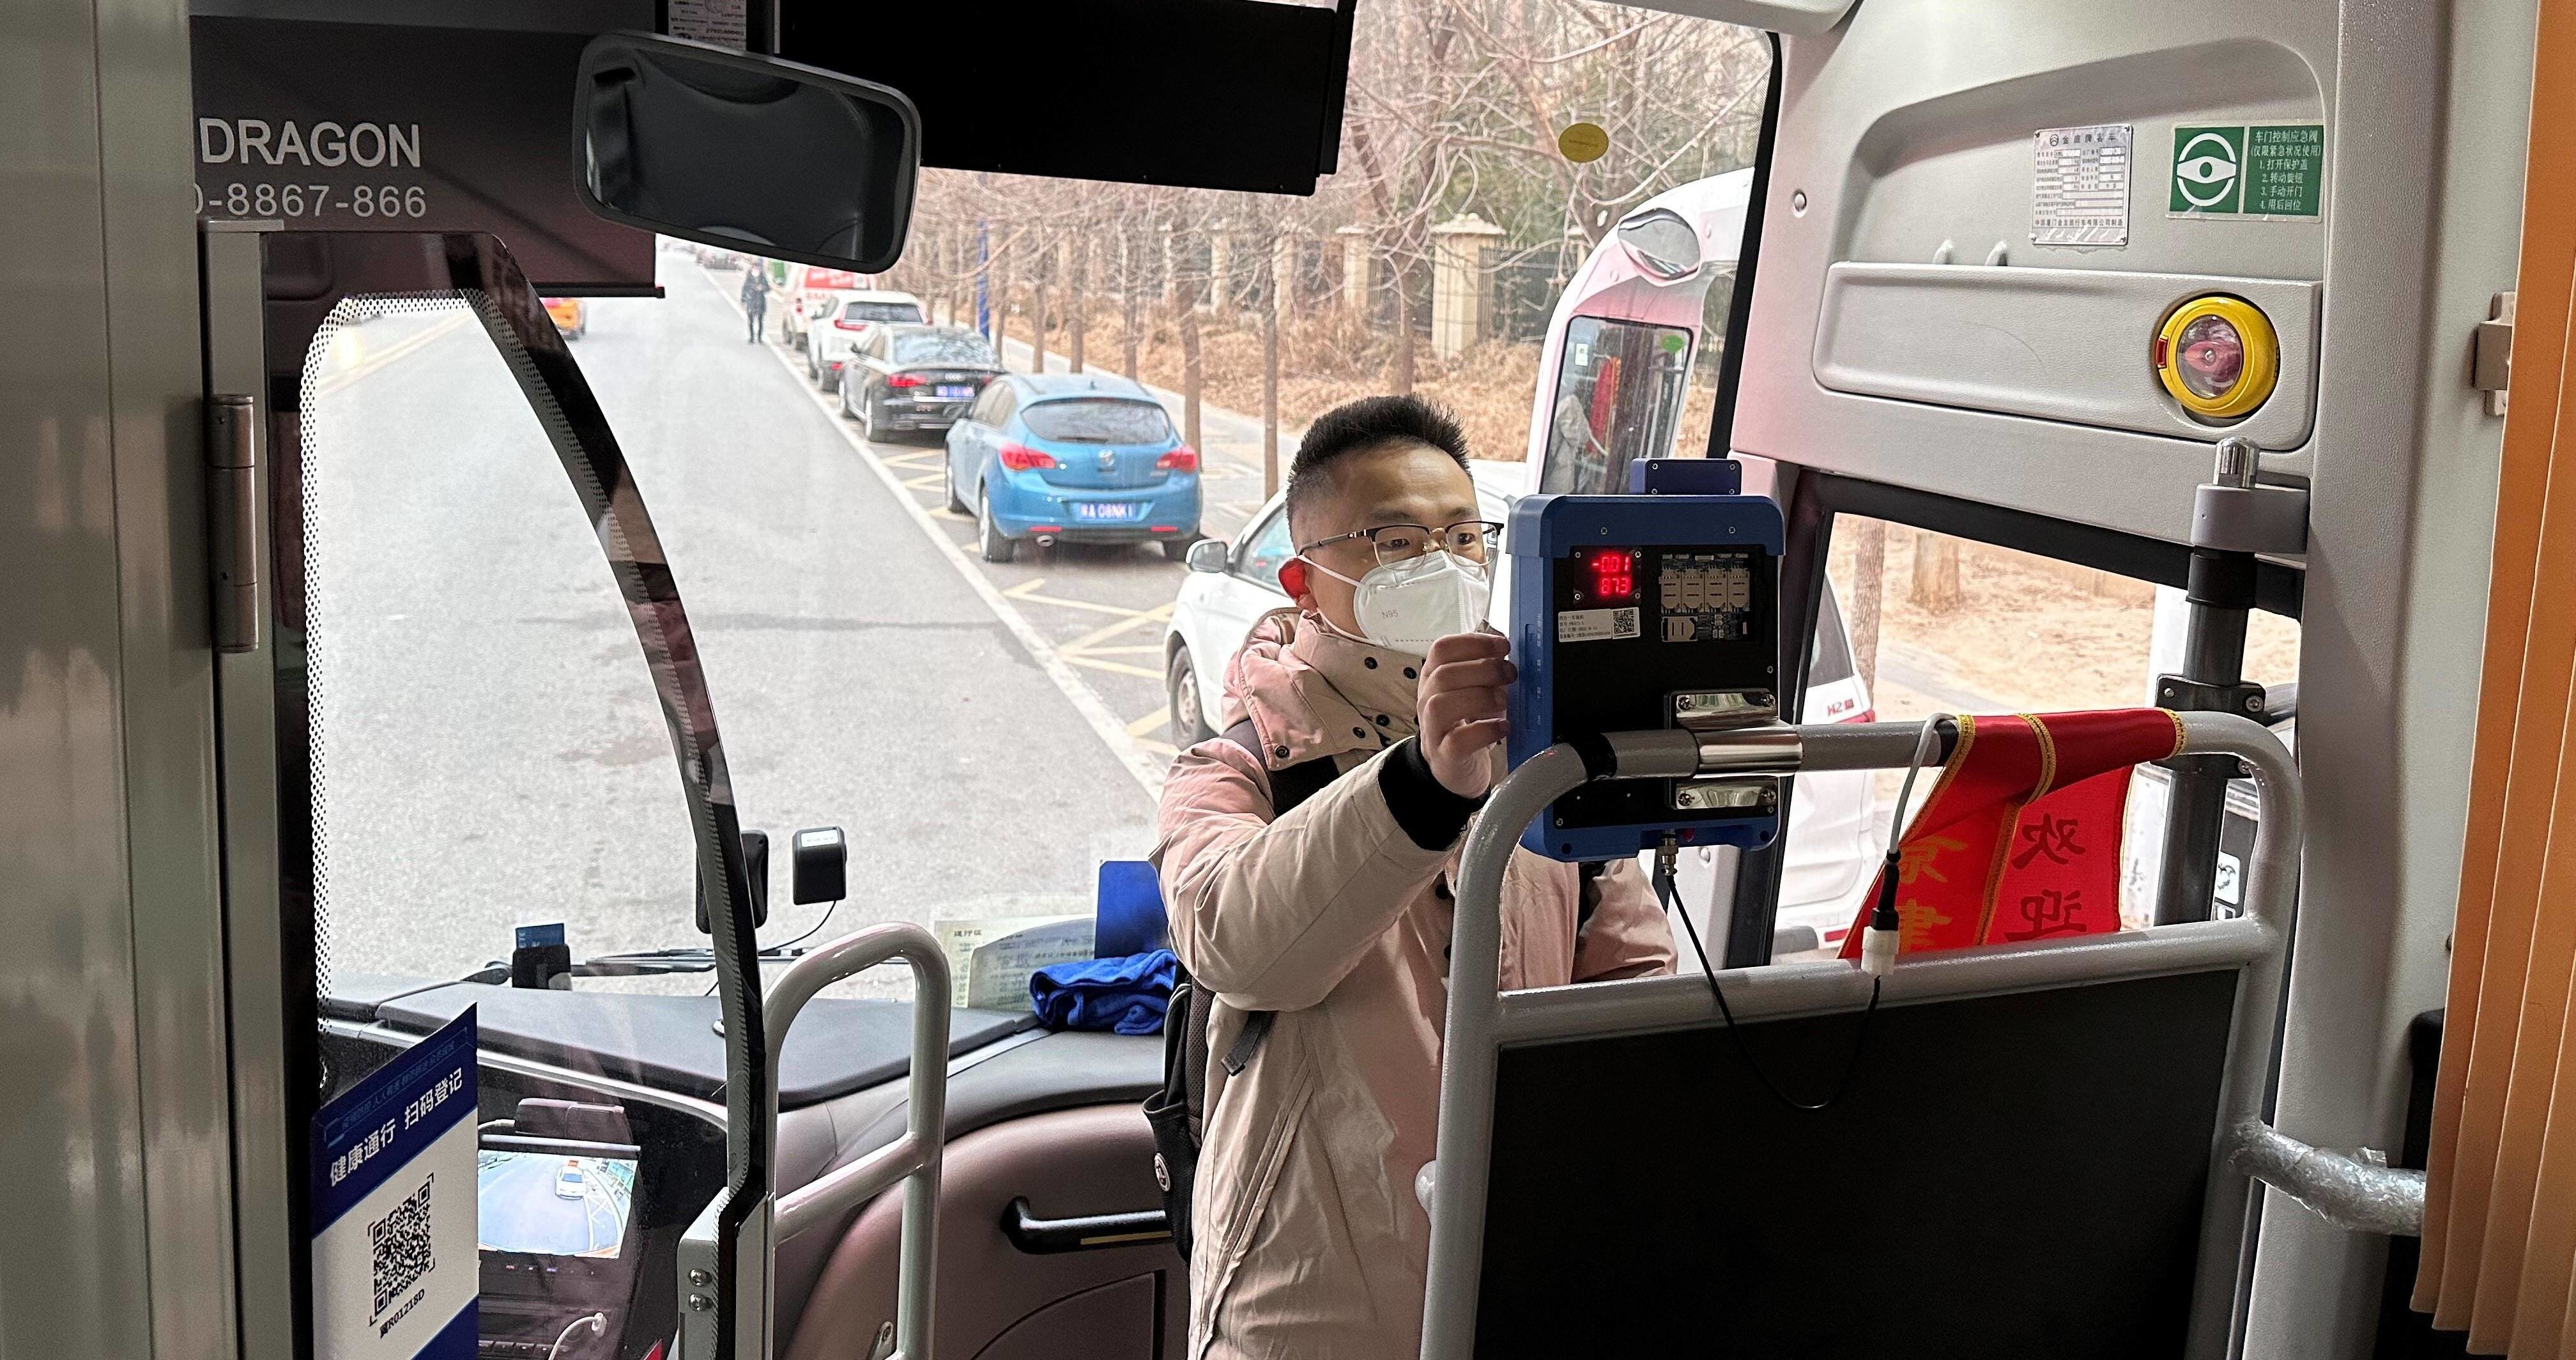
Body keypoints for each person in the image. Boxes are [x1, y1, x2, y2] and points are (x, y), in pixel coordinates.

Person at [1154, 394, 1675, 1359]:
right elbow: (1235, 940)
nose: (1442, 566)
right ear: (1304, 582)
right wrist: (1423, 787)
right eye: (1394, 542)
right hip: (1306, 1302)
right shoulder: (1236, 770)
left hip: (1513, 1272)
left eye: (1464, 537)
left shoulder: (1543, 769)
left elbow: (1635, 986)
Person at [740, 265, 770, 343]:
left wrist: (762, 288)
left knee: (760, 321)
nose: (756, 270)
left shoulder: (763, 277)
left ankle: (760, 338)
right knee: (751, 321)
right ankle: (752, 337)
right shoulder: (749, 278)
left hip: (760, 302)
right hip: (751, 302)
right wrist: (743, 300)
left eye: (757, 268)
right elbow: (744, 289)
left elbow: (768, 288)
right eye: (754, 268)